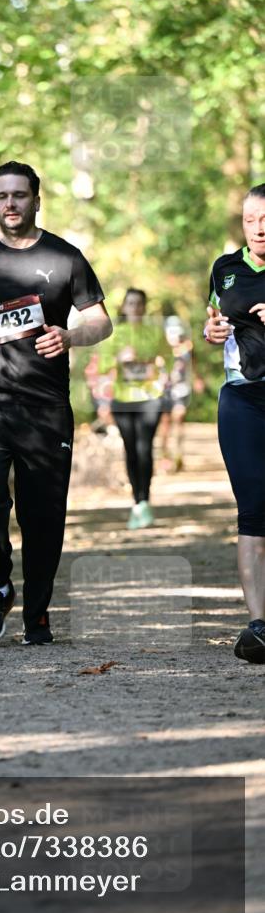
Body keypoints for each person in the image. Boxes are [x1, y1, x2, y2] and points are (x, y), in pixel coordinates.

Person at [0, 161, 112, 645]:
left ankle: (37, 613)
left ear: (37, 199)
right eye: (1, 196)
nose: (9, 204)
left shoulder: (65, 257)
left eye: (19, 196)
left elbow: (102, 320)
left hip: (45, 406)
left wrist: (70, 334)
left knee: (43, 515)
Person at [204, 182, 265, 665]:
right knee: (253, 507)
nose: (259, 229)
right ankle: (259, 625)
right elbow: (212, 323)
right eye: (251, 220)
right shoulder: (226, 269)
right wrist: (212, 330)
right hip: (242, 399)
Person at [97, 289, 171, 529]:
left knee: (145, 447)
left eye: (139, 303)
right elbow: (101, 365)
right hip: (123, 399)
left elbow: (169, 358)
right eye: (131, 303)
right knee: (131, 449)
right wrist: (119, 358)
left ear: (144, 306)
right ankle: (136, 503)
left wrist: (162, 374)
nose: (135, 307)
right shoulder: (115, 332)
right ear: (125, 307)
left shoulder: (154, 331)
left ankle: (145, 502)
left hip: (150, 397)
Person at [158, 315, 205, 473]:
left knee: (179, 417)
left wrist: (197, 379)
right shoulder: (161, 347)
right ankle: (164, 456)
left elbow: (194, 363)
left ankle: (178, 455)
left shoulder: (188, 347)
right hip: (164, 390)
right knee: (165, 424)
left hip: (181, 388)